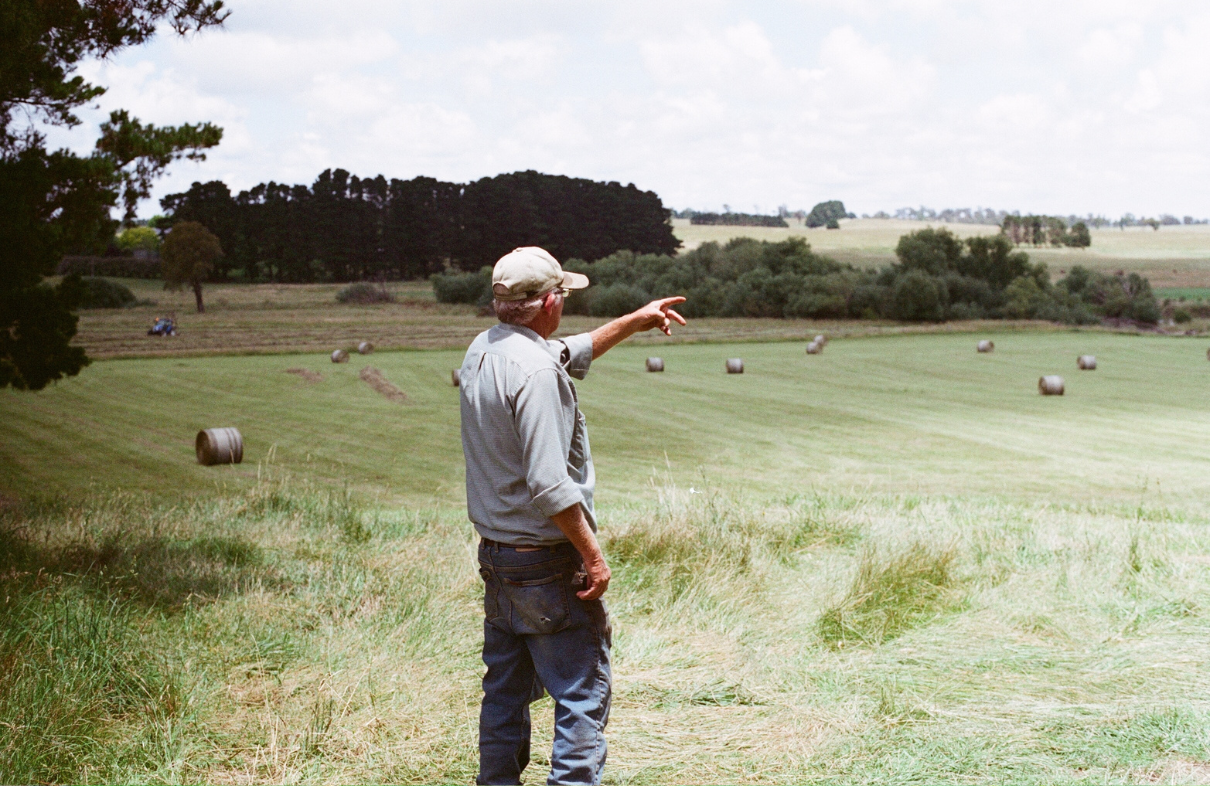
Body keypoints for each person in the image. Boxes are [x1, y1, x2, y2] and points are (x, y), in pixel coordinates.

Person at [460, 246, 686, 785]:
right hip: (544, 561)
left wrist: (635, 321)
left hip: (498, 556)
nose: (564, 302)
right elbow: (549, 483)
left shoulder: (485, 349)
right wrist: (592, 554)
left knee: (504, 695)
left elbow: (568, 351)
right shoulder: (536, 372)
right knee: (581, 697)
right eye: (562, 293)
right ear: (548, 302)